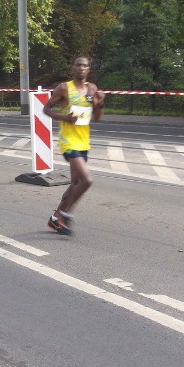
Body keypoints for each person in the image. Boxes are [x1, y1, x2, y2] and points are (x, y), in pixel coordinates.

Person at [42, 56, 105, 235]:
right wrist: (65, 118)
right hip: (68, 140)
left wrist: (100, 103)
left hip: (84, 139)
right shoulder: (64, 88)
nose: (81, 68)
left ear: (89, 69)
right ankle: (64, 214)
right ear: (72, 68)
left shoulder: (91, 88)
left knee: (75, 183)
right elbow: (46, 109)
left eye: (85, 66)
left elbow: (97, 118)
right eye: (78, 65)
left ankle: (54, 219)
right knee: (86, 180)